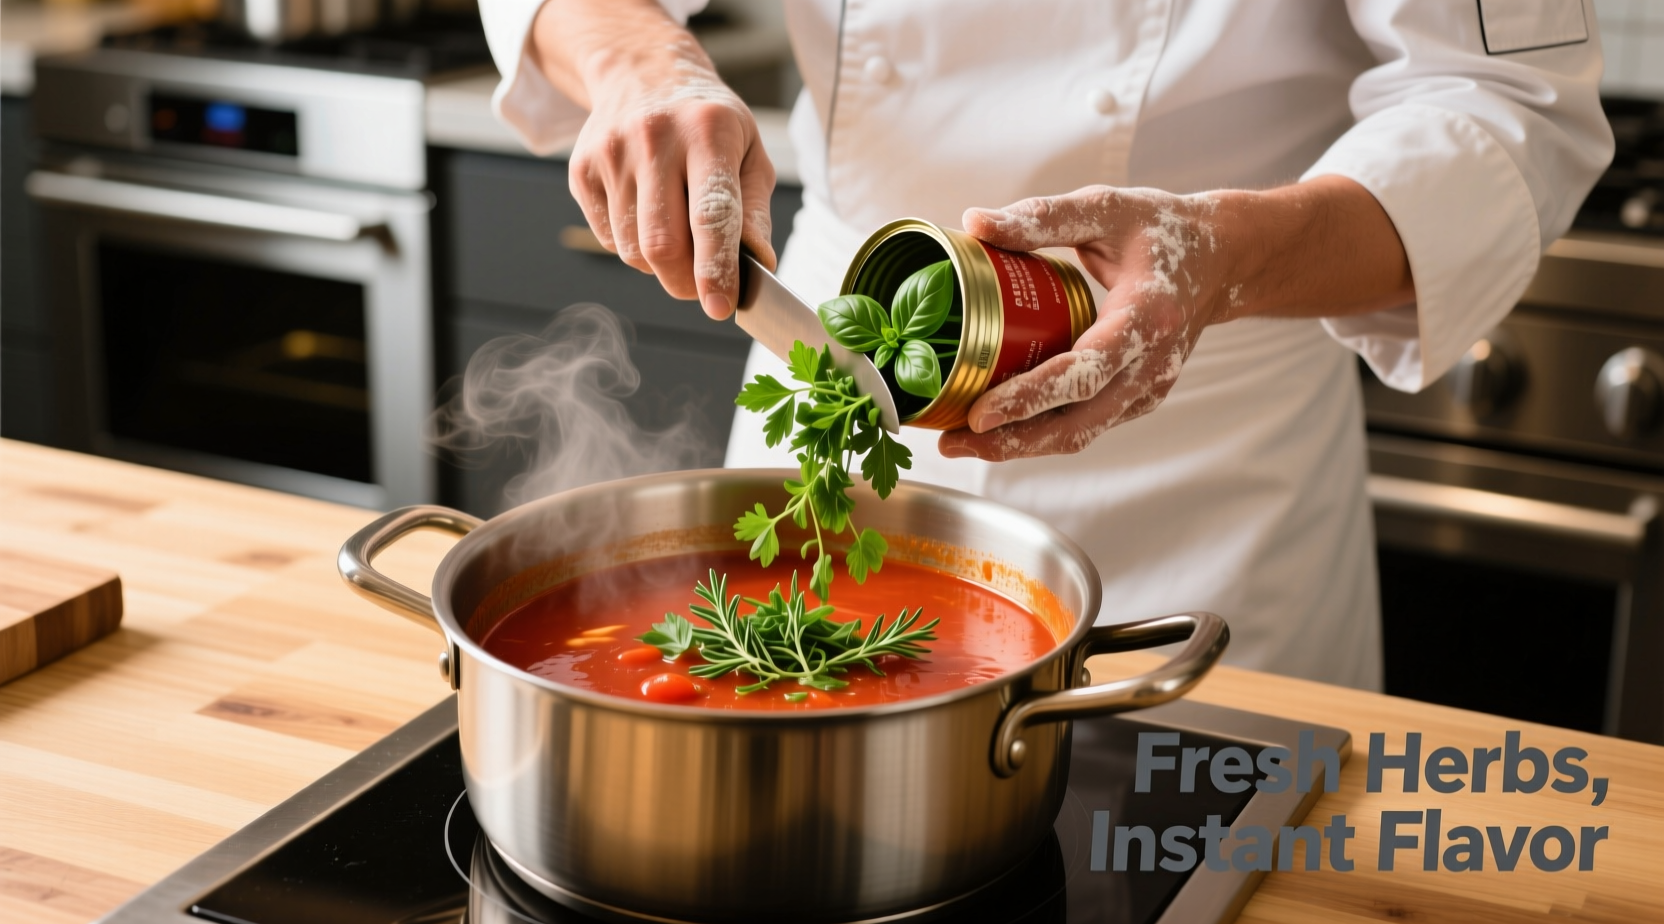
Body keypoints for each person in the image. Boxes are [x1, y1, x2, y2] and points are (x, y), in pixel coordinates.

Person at [478, 0, 1612, 689]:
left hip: (1208, 450)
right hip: (832, 352)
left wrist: (1220, 256)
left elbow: (1507, 109)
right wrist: (640, 69)